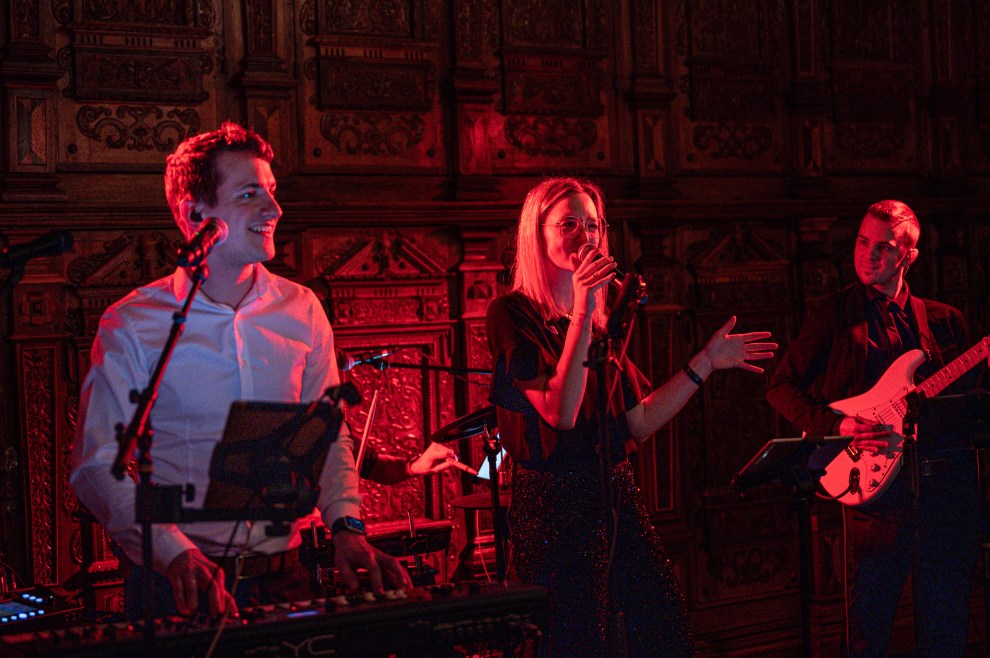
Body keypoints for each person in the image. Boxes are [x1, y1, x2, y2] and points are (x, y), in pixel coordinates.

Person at [70, 121, 411, 621]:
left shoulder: (301, 309)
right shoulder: (135, 323)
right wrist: (173, 552)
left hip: (288, 576)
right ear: (195, 214)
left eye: (272, 192)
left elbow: (327, 437)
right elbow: (97, 464)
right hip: (179, 585)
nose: (274, 210)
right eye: (250, 194)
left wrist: (347, 526)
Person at [485, 177, 776, 657]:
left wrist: (704, 363)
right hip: (556, 506)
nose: (584, 236)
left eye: (593, 225)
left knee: (659, 631)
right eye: (569, 224)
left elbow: (637, 422)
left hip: (616, 496)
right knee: (577, 641)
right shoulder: (513, 313)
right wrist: (584, 311)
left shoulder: (598, 321)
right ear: (536, 234)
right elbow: (560, 413)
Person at [766, 200, 986, 657]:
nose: (868, 254)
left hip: (942, 490)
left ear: (909, 255)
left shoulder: (943, 319)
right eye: (863, 242)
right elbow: (781, 387)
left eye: (883, 247)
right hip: (874, 497)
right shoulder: (834, 314)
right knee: (868, 629)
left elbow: (967, 404)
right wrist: (838, 424)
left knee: (946, 626)